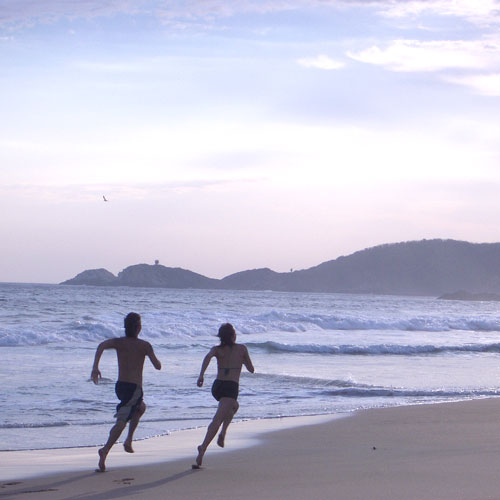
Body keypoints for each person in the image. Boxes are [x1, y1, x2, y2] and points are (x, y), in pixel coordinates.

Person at [91, 312, 162, 472]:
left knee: (141, 408)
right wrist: (155, 360)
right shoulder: (144, 345)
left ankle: (128, 440)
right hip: (134, 388)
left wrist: (95, 367)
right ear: (139, 328)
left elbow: (101, 345)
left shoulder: (119, 342)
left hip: (120, 387)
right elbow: (158, 366)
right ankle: (105, 450)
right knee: (122, 421)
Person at [194, 323, 254, 468]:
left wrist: (201, 375)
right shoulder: (242, 349)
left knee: (234, 407)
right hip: (230, 387)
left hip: (217, 386)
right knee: (218, 418)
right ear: (234, 336)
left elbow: (207, 357)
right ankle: (203, 447)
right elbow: (251, 369)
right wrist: (243, 361)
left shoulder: (217, 349)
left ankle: (223, 433)